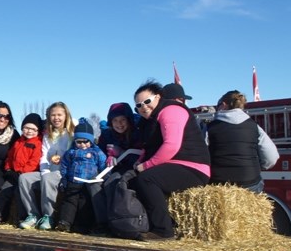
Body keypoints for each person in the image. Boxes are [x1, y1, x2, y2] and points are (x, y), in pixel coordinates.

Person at [130, 80, 210, 241]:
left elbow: (171, 146)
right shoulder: (152, 119)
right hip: (175, 165)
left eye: (147, 101)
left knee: (146, 179)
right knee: (133, 181)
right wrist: (139, 161)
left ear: (158, 97)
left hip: (192, 167)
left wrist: (146, 166)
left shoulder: (171, 110)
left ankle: (163, 231)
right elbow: (149, 146)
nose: (143, 107)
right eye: (138, 105)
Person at [207, 90, 279, 193]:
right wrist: (258, 167)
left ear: (223, 105)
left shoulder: (210, 128)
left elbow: (201, 156)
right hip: (250, 183)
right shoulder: (254, 126)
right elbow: (271, 157)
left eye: (217, 106)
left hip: (219, 184)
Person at [18, 101, 75, 230]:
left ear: (66, 115)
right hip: (49, 171)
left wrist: (62, 159)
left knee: (48, 179)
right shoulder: (47, 135)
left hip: (65, 172)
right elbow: (44, 155)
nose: (56, 118)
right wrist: (44, 171)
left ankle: (48, 216)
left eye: (59, 115)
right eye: (53, 115)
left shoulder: (71, 133)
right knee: (25, 178)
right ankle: (33, 214)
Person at [55, 120, 107, 233]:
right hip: (73, 181)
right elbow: (64, 165)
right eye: (79, 142)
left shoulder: (96, 152)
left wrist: (104, 176)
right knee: (69, 201)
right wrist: (64, 178)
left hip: (87, 182)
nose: (82, 145)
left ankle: (82, 225)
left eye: (86, 142)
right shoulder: (71, 152)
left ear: (91, 141)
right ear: (75, 141)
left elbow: (103, 164)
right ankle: (65, 222)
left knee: (84, 203)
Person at [0, 113, 44, 223]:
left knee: (19, 193)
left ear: (38, 131)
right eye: (26, 128)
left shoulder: (38, 143)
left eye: (33, 129)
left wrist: (21, 172)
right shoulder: (18, 141)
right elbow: (10, 156)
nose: (29, 131)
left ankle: (23, 217)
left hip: (26, 176)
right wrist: (8, 168)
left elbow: (34, 162)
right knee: (3, 191)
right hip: (13, 174)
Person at [97, 102, 142, 171]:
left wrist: (121, 153)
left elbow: (143, 155)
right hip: (114, 169)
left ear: (128, 120)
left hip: (134, 169)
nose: (119, 123)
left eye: (123, 119)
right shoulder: (107, 135)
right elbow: (99, 152)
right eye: (115, 120)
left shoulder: (138, 132)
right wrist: (108, 157)